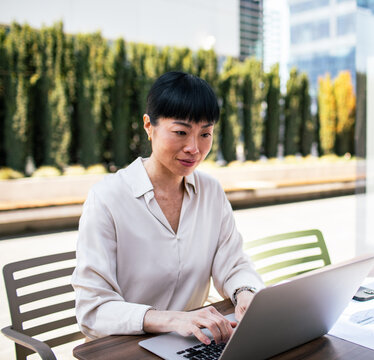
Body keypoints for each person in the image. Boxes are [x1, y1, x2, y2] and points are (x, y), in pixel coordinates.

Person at [71, 71, 264, 345]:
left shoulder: (210, 191)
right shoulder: (108, 198)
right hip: (127, 347)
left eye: (205, 134)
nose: (194, 148)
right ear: (149, 126)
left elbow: (232, 263)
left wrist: (245, 293)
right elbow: (92, 310)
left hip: (194, 341)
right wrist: (173, 319)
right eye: (181, 132)